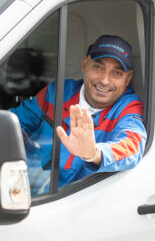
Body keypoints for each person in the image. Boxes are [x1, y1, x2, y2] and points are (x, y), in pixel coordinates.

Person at [8, 35, 146, 196]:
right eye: (98, 67)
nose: (105, 80)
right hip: (23, 189)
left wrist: (93, 153)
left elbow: (132, 146)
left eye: (117, 73)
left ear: (128, 78)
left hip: (73, 203)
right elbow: (12, 124)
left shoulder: (129, 107)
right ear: (84, 64)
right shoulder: (57, 92)